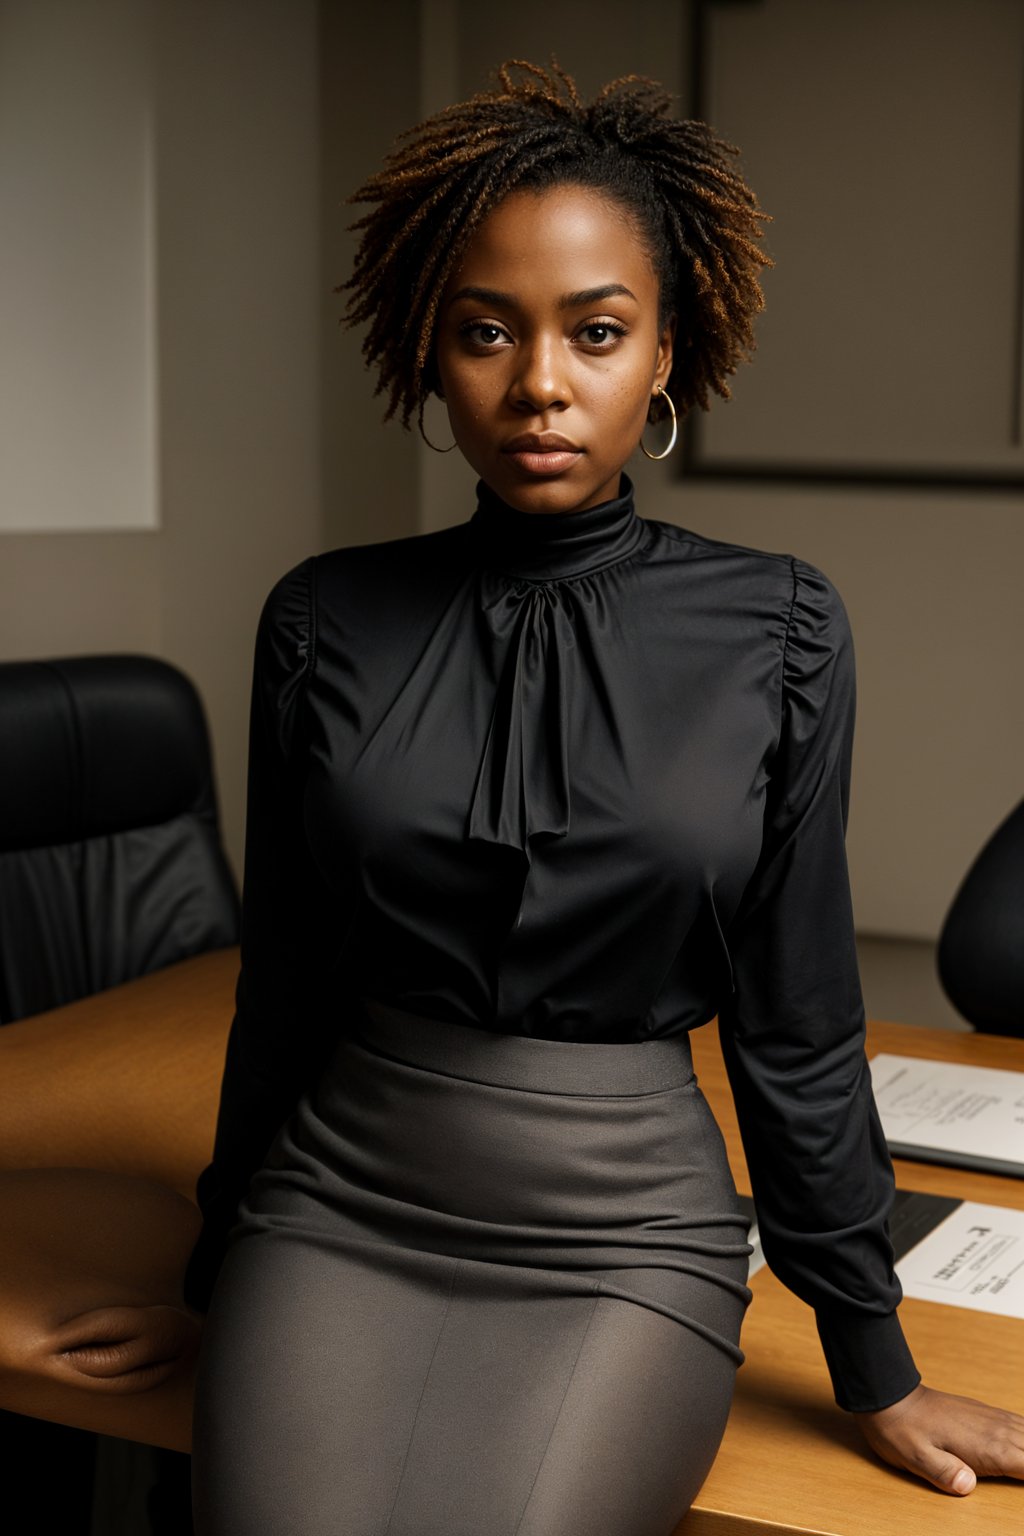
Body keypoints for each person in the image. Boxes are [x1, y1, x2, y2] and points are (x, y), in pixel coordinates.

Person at [185, 60, 1024, 1534]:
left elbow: (797, 1018)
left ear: (667, 356)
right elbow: (290, 984)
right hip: (339, 1204)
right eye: (487, 333)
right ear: (427, 355)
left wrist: (872, 1358)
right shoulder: (322, 620)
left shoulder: (781, 630)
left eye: (596, 332)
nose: (541, 386)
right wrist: (202, 1276)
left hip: (623, 1232)